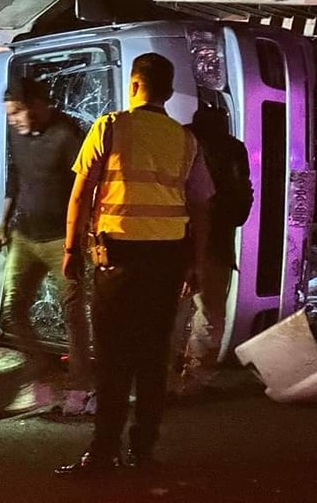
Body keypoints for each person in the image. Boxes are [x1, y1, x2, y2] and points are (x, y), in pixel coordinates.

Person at [56, 53, 213, 475]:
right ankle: (142, 451)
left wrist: (71, 250)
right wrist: (195, 264)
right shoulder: (185, 140)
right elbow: (200, 207)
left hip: (118, 263)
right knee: (152, 360)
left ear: (135, 84)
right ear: (167, 90)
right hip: (167, 265)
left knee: (113, 359)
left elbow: (81, 193)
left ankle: (103, 452)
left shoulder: (110, 126)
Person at [0, 77, 93, 401]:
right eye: (9, 115)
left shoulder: (68, 135)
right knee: (11, 310)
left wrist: (78, 241)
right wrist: (3, 223)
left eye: (18, 112)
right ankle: (43, 370)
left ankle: (80, 379)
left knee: (73, 313)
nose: (13, 120)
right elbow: (15, 178)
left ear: (38, 105)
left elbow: (86, 187)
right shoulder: (16, 134)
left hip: (60, 239)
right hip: (24, 236)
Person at [170, 106, 252, 396]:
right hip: (217, 240)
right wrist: (230, 216)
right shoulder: (233, 149)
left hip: (178, 238)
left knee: (174, 311)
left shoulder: (180, 141)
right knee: (210, 311)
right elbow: (244, 196)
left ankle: (164, 377)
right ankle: (196, 376)